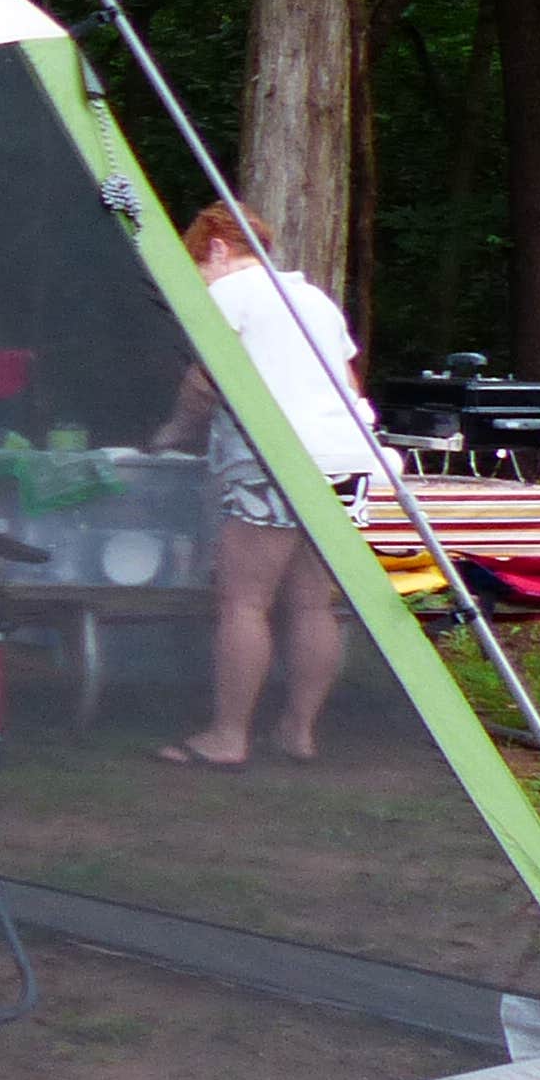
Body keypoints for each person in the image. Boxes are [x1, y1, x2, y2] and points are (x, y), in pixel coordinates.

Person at [145, 206, 382, 767]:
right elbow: (350, 382)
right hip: (347, 459)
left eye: (198, 267)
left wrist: (171, 433)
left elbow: (203, 382)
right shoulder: (312, 299)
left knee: (244, 602)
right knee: (313, 604)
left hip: (275, 457)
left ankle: (227, 737)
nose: (199, 281)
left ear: (218, 249)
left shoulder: (230, 294)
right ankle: (298, 731)